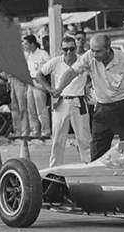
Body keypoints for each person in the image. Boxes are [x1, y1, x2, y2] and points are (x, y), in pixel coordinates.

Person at [52, 34, 124, 161]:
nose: (94, 55)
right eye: (92, 50)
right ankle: (99, 176)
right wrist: (59, 89)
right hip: (103, 108)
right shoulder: (89, 56)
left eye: (98, 51)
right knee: (97, 151)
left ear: (108, 48)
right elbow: (72, 72)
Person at [36, 37, 91, 166]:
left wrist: (88, 86)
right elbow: (39, 74)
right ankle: (55, 167)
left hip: (79, 101)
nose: (69, 52)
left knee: (84, 138)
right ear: (61, 49)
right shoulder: (55, 62)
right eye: (65, 49)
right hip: (61, 102)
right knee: (58, 138)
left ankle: (88, 163)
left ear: (75, 48)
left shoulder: (82, 60)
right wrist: (49, 89)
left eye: (72, 48)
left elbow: (94, 75)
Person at [24, 34, 51, 140]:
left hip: (39, 82)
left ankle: (46, 131)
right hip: (30, 82)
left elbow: (50, 66)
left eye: (26, 44)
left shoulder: (42, 54)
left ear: (32, 43)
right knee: (31, 108)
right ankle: (35, 130)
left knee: (41, 108)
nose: (25, 46)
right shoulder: (29, 56)